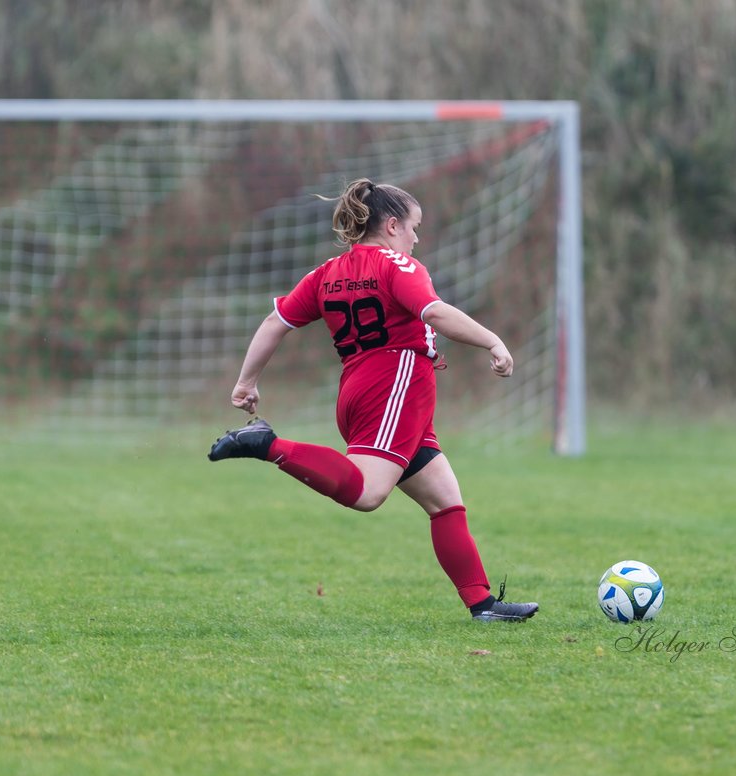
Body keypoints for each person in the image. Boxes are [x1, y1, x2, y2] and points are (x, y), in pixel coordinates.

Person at [208, 178, 538, 622]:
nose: (417, 238)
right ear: (393, 225)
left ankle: (483, 604)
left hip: (363, 388)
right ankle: (267, 444)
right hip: (394, 386)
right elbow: (434, 311)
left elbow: (276, 320)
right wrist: (492, 341)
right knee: (366, 494)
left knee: (445, 500)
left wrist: (246, 382)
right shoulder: (397, 266)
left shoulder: (327, 272)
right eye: (415, 227)